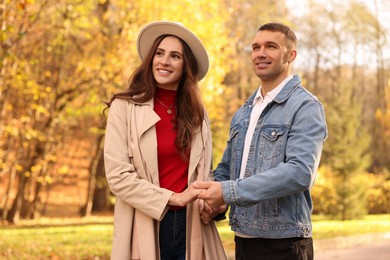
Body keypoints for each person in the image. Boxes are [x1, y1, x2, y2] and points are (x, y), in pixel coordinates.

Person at [193, 22, 328, 260]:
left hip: (284, 243)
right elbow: (227, 168)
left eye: (271, 46)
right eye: (255, 47)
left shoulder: (305, 106)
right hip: (243, 239)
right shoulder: (245, 110)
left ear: (290, 55)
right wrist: (214, 202)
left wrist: (228, 192)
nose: (260, 53)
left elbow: (300, 172)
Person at [103, 21, 226, 260]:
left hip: (193, 227)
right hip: (144, 222)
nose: (164, 61)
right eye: (159, 53)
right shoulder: (125, 107)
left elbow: (204, 172)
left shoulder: (198, 114)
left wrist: (211, 205)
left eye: (175, 56)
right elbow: (118, 176)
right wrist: (173, 197)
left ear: (186, 65)